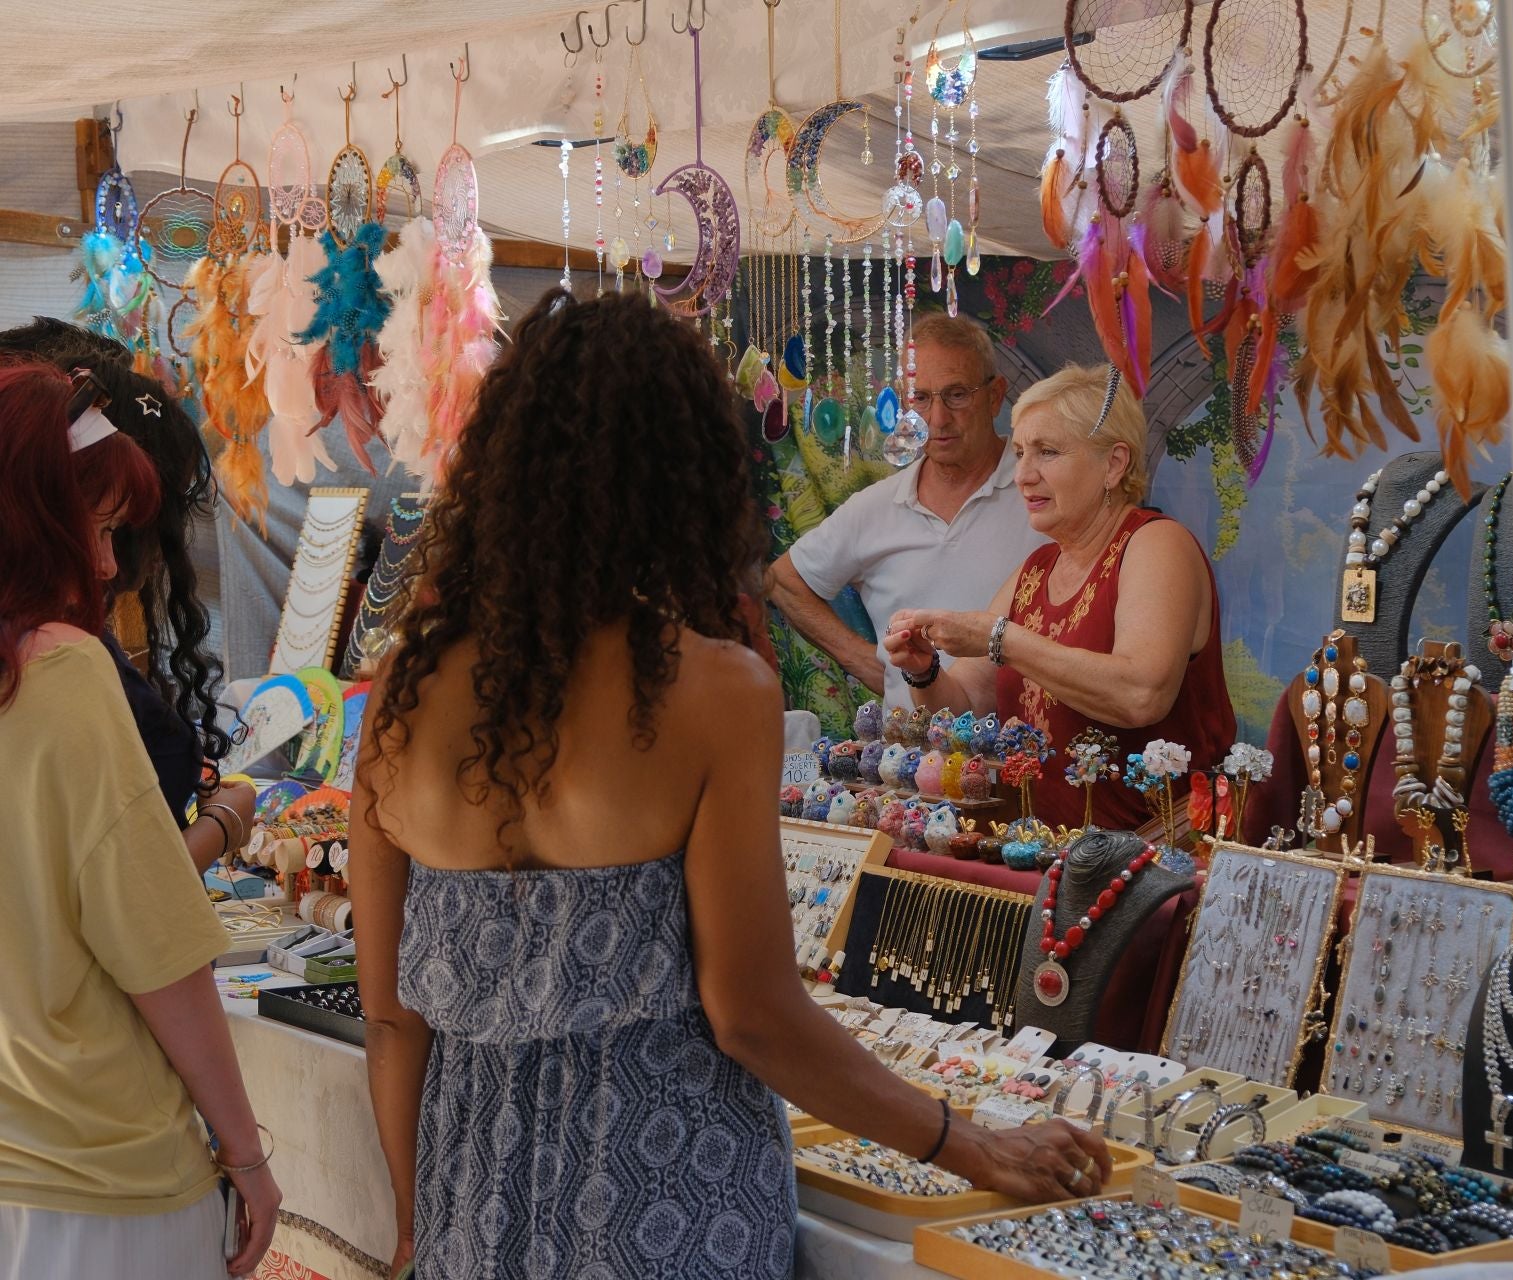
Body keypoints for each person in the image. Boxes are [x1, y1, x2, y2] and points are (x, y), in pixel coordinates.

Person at [351, 291, 1109, 1280]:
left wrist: (422, 1221)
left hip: (470, 1204)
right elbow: (749, 1009)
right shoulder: (710, 689)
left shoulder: (402, 699)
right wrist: (967, 1140)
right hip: (667, 1204)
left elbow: (390, 1016)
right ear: (682, 474)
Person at [0, 358, 280, 1278]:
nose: (112, 562)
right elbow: (155, 947)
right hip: (103, 1173)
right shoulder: (64, 671)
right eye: (96, 525)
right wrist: (245, 1151)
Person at [882, 364, 1235, 830]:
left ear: (1114, 464)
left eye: (1047, 452)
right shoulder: (1035, 570)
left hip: (1156, 863)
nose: (1024, 475)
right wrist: (924, 671)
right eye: (1021, 452)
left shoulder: (1156, 543)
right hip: (1047, 856)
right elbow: (967, 703)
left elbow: (1141, 694)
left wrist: (1000, 638)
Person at [0, 319, 254, 871]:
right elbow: (131, 890)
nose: (111, 562)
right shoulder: (64, 660)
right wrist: (224, 823)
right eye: (107, 524)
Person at [765, 313, 1045, 708]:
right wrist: (862, 660)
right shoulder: (877, 506)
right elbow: (783, 581)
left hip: (1032, 756)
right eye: (921, 397)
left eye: (957, 394)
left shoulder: (1040, 490)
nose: (938, 418)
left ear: (996, 395)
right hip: (911, 761)